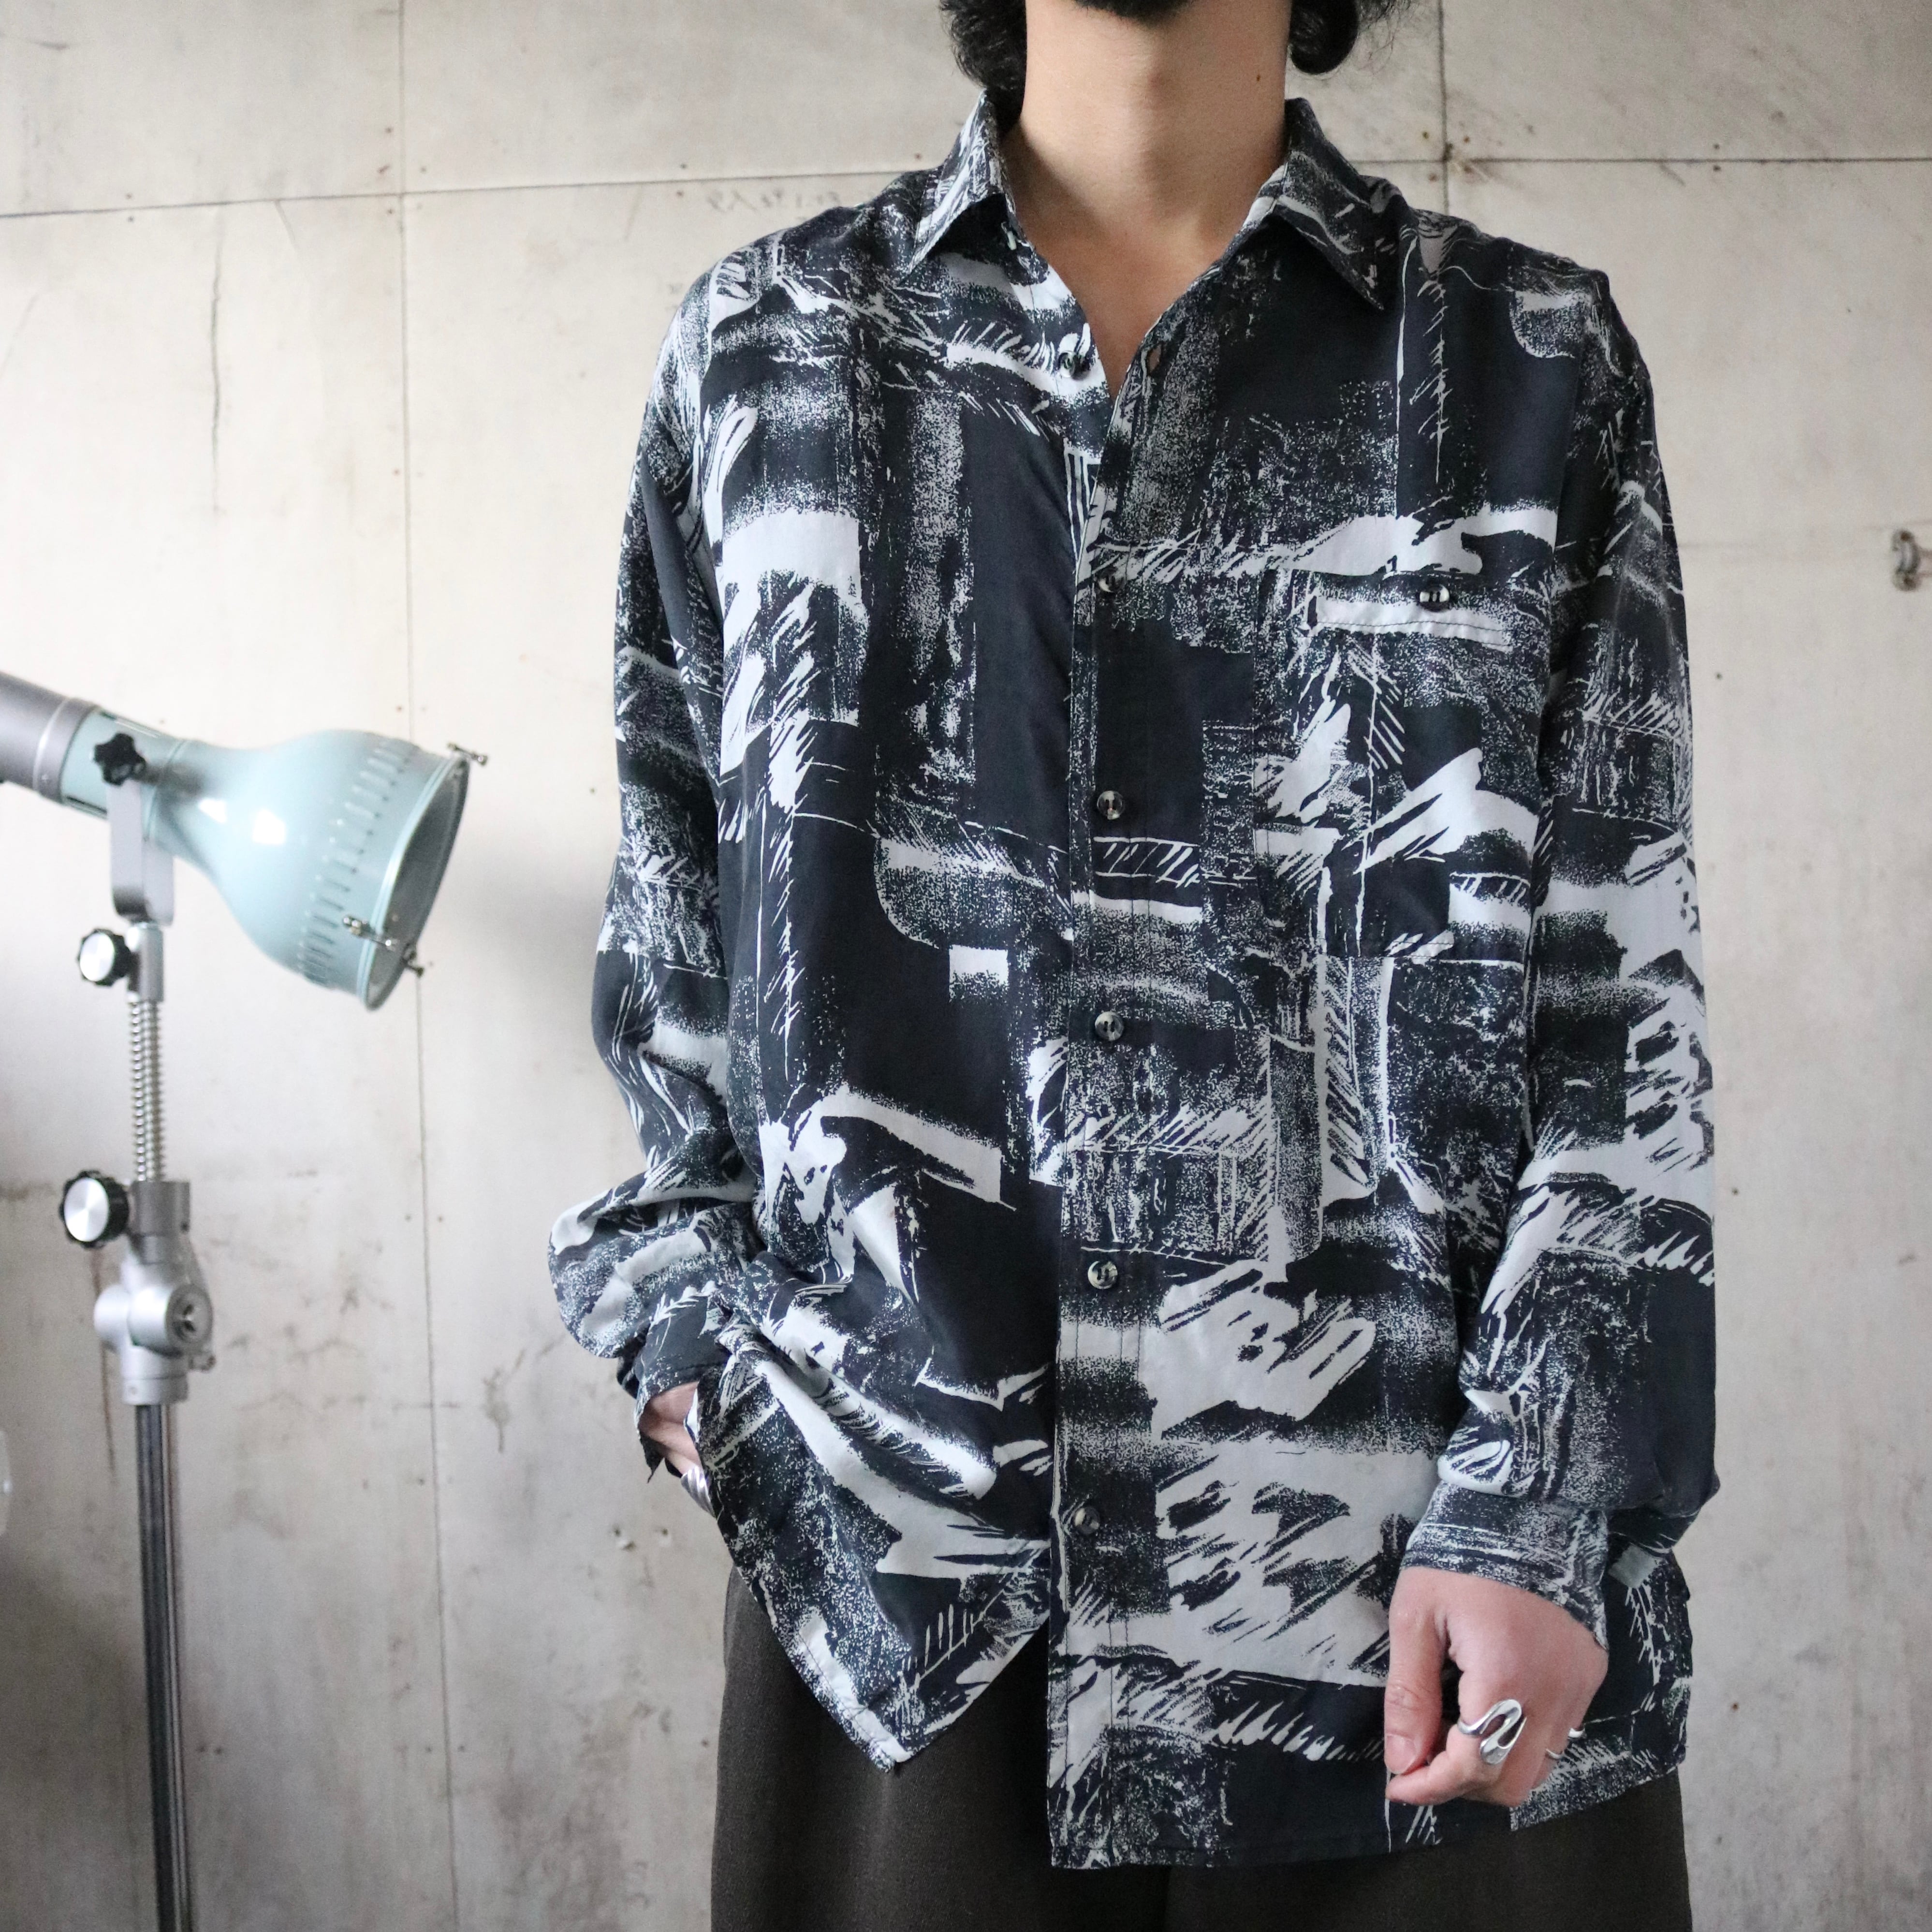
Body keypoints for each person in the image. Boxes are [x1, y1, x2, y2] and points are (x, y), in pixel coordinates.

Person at [549, 0, 1717, 1924]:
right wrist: (709, 1376)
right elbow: (677, 959)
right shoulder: (761, 350)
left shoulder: (1526, 365)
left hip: (1436, 1606)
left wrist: (1549, 1500)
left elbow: (1623, 1000)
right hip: (910, 1608)